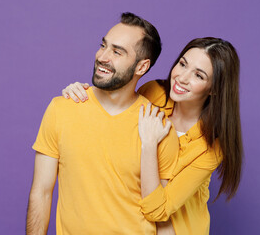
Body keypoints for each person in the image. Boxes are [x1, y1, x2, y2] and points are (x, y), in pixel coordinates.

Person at [62, 37, 243, 234]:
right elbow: (113, 125)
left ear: (215, 89)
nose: (182, 78)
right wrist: (86, 94)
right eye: (182, 64)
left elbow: (158, 211)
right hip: (130, 223)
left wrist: (149, 144)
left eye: (198, 76)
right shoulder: (153, 92)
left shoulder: (212, 146)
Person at [27, 12, 180, 235]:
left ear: (141, 67)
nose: (102, 56)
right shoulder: (62, 109)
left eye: (117, 52)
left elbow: (162, 219)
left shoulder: (159, 127)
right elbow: (41, 192)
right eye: (103, 45)